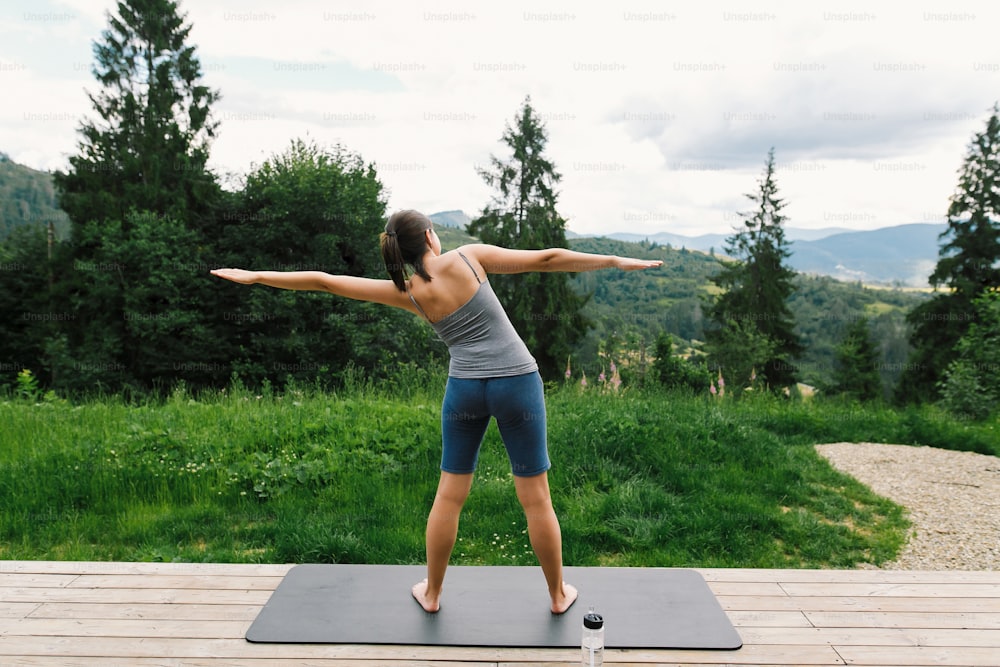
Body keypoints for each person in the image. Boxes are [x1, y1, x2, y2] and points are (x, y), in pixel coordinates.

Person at [211, 209, 662, 614]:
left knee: (449, 495)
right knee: (536, 498)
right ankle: (557, 595)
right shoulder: (468, 258)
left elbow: (326, 282)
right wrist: (616, 261)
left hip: (464, 390)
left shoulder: (406, 292)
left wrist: (255, 276)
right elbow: (545, 259)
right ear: (430, 237)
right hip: (517, 385)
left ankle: (432, 593)